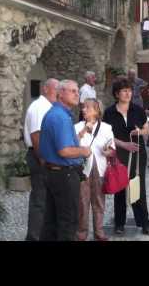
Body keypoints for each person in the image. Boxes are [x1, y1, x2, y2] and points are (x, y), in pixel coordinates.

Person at [39, 80, 92, 241]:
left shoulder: (59, 114)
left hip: (55, 173)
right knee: (68, 221)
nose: (77, 94)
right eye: (72, 91)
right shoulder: (60, 117)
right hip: (64, 176)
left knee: (52, 220)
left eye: (77, 91)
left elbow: (66, 143)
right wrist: (84, 151)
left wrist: (81, 134)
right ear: (60, 93)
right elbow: (64, 151)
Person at [103, 78, 149, 236]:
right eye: (124, 91)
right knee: (119, 188)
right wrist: (124, 145)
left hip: (137, 154)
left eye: (129, 90)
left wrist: (139, 132)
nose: (128, 93)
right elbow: (107, 136)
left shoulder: (138, 109)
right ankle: (119, 223)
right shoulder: (109, 112)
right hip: (119, 153)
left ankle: (144, 222)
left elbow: (147, 130)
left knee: (137, 187)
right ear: (117, 94)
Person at [23, 78, 59, 241]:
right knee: (39, 199)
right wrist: (44, 161)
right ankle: (34, 237)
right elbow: (36, 136)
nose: (58, 92)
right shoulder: (39, 107)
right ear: (45, 89)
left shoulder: (47, 106)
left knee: (46, 199)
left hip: (45, 156)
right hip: (40, 157)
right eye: (55, 88)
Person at [75, 98, 115, 241]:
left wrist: (108, 152)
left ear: (97, 111)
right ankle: (81, 233)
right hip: (82, 170)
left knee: (99, 201)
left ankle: (99, 232)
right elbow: (72, 144)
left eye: (87, 107)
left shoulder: (106, 127)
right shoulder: (77, 126)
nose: (83, 110)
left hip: (100, 168)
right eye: (83, 107)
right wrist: (84, 129)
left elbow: (112, 149)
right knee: (82, 202)